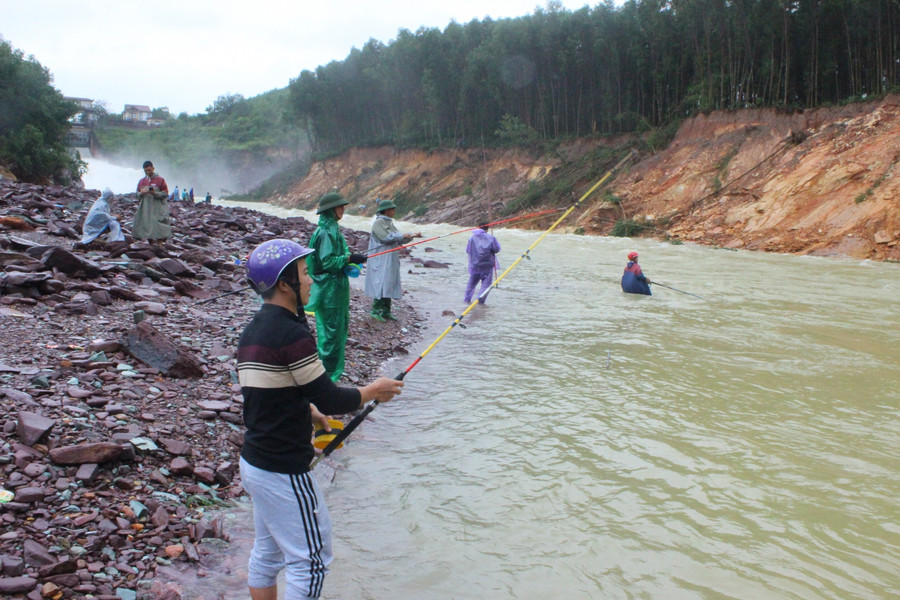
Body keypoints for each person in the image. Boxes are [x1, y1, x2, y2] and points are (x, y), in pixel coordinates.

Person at [237, 238, 403, 600]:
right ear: (285, 284)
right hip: (283, 470)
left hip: (254, 463)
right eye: (304, 273)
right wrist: (373, 391)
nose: (311, 280)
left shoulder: (253, 330)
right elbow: (330, 397)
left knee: (267, 554)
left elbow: (265, 391)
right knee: (311, 560)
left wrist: (306, 410)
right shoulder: (292, 334)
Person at [306, 192, 368, 382]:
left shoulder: (333, 229)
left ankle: (332, 373)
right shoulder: (325, 232)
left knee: (337, 330)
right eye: (339, 207)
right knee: (331, 333)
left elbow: (338, 255)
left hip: (336, 289)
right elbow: (327, 262)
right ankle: (327, 378)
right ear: (330, 210)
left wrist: (351, 259)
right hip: (329, 290)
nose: (343, 209)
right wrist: (348, 258)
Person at [364, 199, 421, 321]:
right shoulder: (378, 223)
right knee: (381, 282)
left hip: (390, 258)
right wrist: (403, 235)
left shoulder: (389, 223)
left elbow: (399, 240)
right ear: (386, 210)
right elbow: (386, 237)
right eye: (392, 209)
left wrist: (411, 236)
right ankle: (375, 310)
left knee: (388, 282)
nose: (394, 211)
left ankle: (386, 311)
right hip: (380, 258)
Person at [133, 160, 171, 244]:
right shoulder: (142, 181)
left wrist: (155, 193)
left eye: (149, 170)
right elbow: (137, 194)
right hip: (145, 207)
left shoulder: (160, 180)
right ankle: (150, 243)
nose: (147, 172)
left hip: (157, 206)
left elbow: (165, 193)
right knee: (146, 223)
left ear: (153, 168)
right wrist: (141, 193)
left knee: (158, 224)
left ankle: (160, 243)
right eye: (145, 171)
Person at [464, 224, 501, 304]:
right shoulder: (491, 238)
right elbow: (496, 249)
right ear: (487, 228)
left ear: (478, 227)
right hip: (487, 265)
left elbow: (467, 250)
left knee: (471, 284)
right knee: (486, 285)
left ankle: (466, 301)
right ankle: (480, 302)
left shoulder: (471, 238)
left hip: (475, 265)